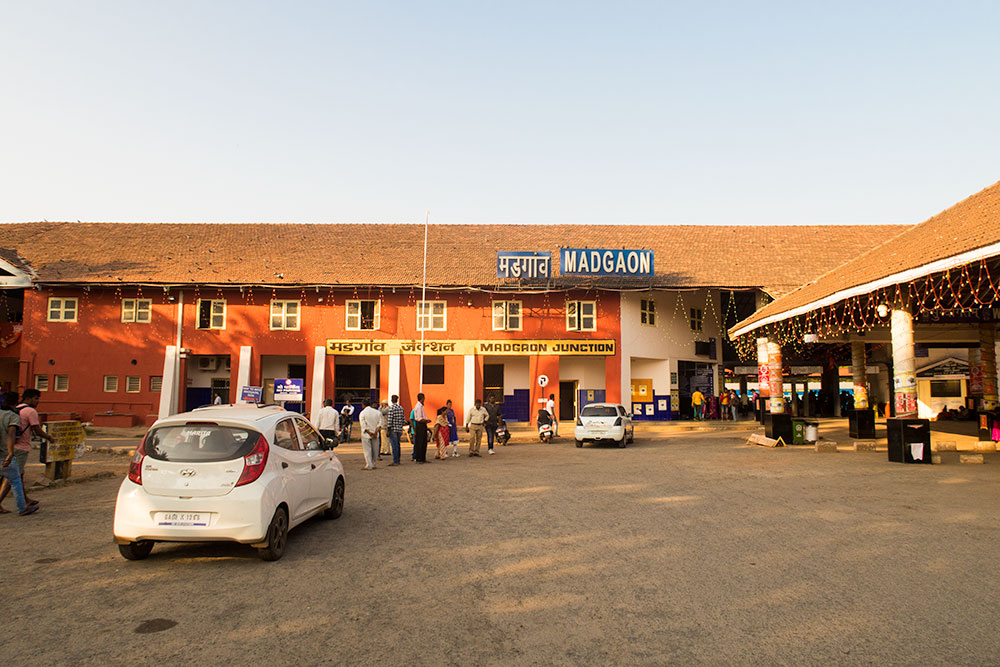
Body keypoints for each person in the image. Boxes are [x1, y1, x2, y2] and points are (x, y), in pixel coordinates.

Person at [0, 388, 50, 512]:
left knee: (17, 476)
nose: (37, 401)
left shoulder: (11, 411)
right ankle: (22, 507)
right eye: (36, 398)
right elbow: (14, 434)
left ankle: (25, 501)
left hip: (3, 449)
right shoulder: (22, 413)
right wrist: (49, 437)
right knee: (14, 478)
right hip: (16, 449)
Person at [0, 391, 37, 516]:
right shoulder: (13, 416)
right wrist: (10, 453)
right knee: (15, 480)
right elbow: (11, 435)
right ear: (16, 402)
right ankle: (22, 508)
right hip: (4, 453)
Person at [358, 399, 382, 470]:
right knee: (375, 449)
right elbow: (380, 423)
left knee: (367, 450)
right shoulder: (377, 412)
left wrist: (369, 432)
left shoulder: (362, 413)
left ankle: (369, 464)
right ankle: (374, 463)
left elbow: (363, 425)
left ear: (363, 405)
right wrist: (375, 432)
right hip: (375, 433)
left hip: (366, 434)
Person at [386, 395, 405, 466]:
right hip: (399, 429)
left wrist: (388, 430)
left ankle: (395, 460)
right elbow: (403, 419)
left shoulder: (391, 409)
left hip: (393, 429)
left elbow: (390, 420)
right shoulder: (401, 408)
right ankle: (398, 460)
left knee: (394, 445)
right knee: (398, 444)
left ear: (391, 400)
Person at [412, 393, 430, 463]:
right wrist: (426, 420)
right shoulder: (418, 407)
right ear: (422, 398)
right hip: (420, 425)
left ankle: (422, 457)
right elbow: (419, 418)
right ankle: (419, 458)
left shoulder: (420, 406)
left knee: (423, 442)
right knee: (420, 442)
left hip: (422, 424)